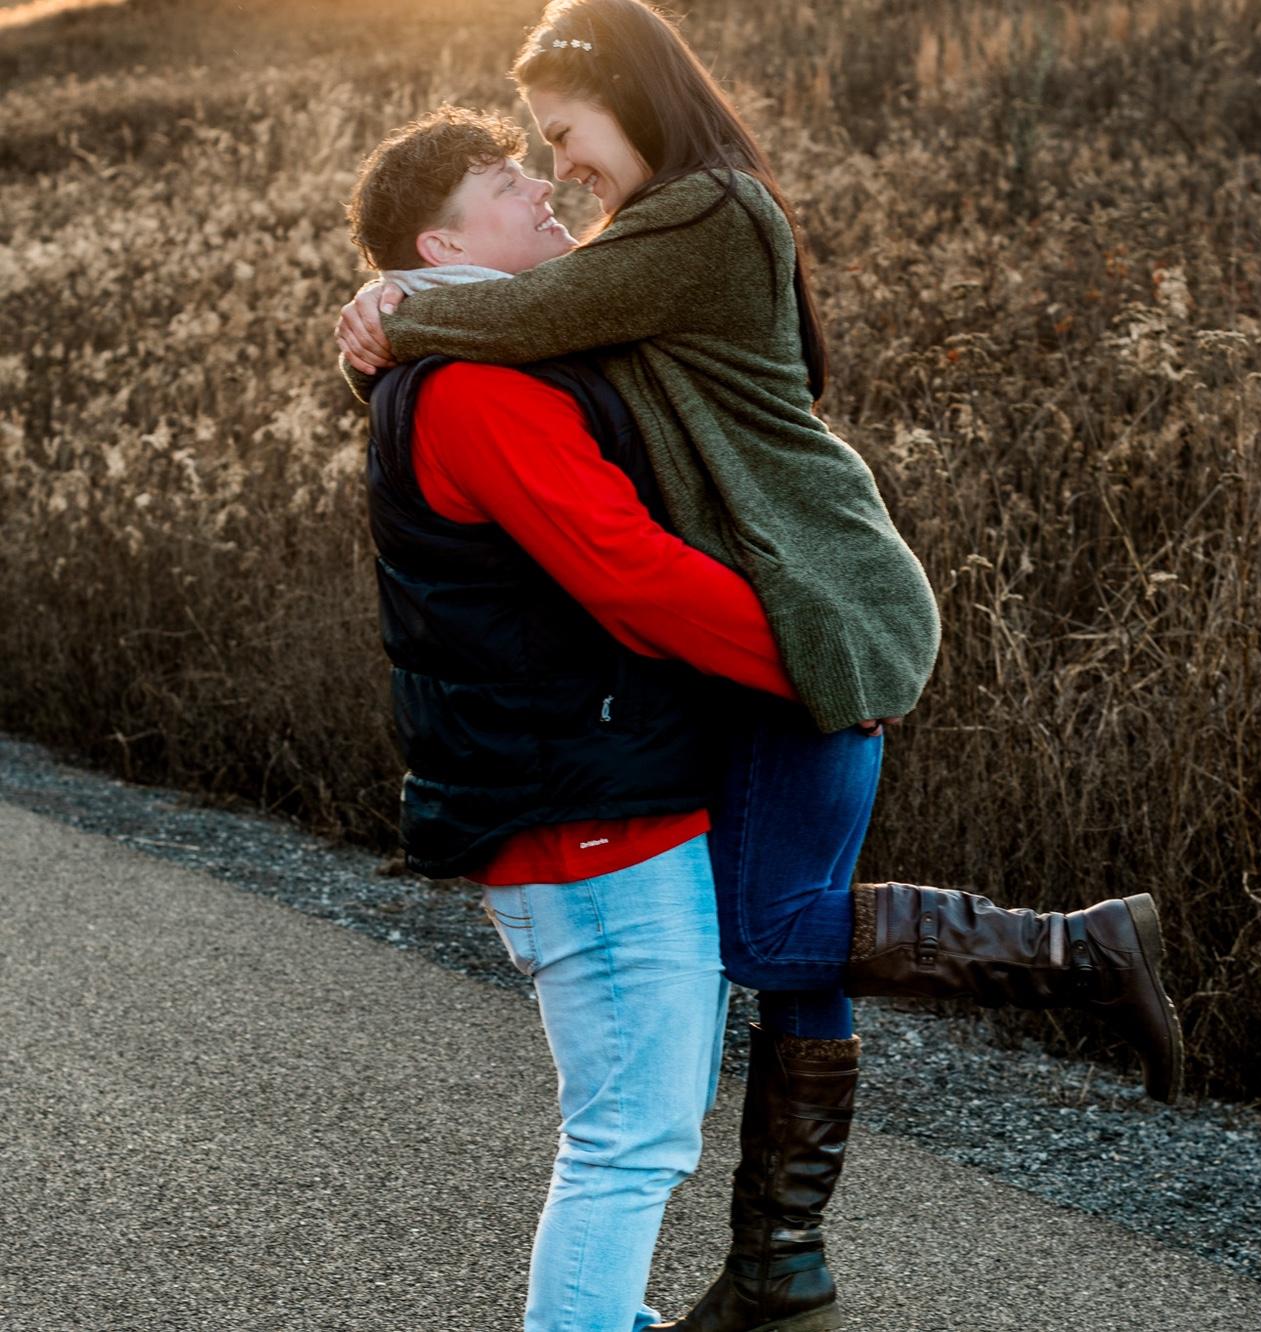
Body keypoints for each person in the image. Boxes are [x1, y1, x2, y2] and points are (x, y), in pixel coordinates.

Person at [338, 4, 1185, 1329]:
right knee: (781, 947)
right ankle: (781, 1264)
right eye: (524, 167)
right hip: (756, 652)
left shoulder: (701, 219)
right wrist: (405, 317)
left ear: (629, 95)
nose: (556, 174)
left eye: (559, 137)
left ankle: (1077, 957)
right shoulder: (587, 291)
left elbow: (530, 328)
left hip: (810, 624)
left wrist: (400, 308)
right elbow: (529, 406)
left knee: (771, 935)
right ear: (448, 242)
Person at [344, 103, 812, 1332]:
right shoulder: (474, 391)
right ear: (443, 252)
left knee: (639, 1128)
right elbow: (630, 574)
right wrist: (815, 656)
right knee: (628, 1142)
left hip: (593, 790)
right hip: (585, 817)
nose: (541, 186)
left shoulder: (489, 362)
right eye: (503, 181)